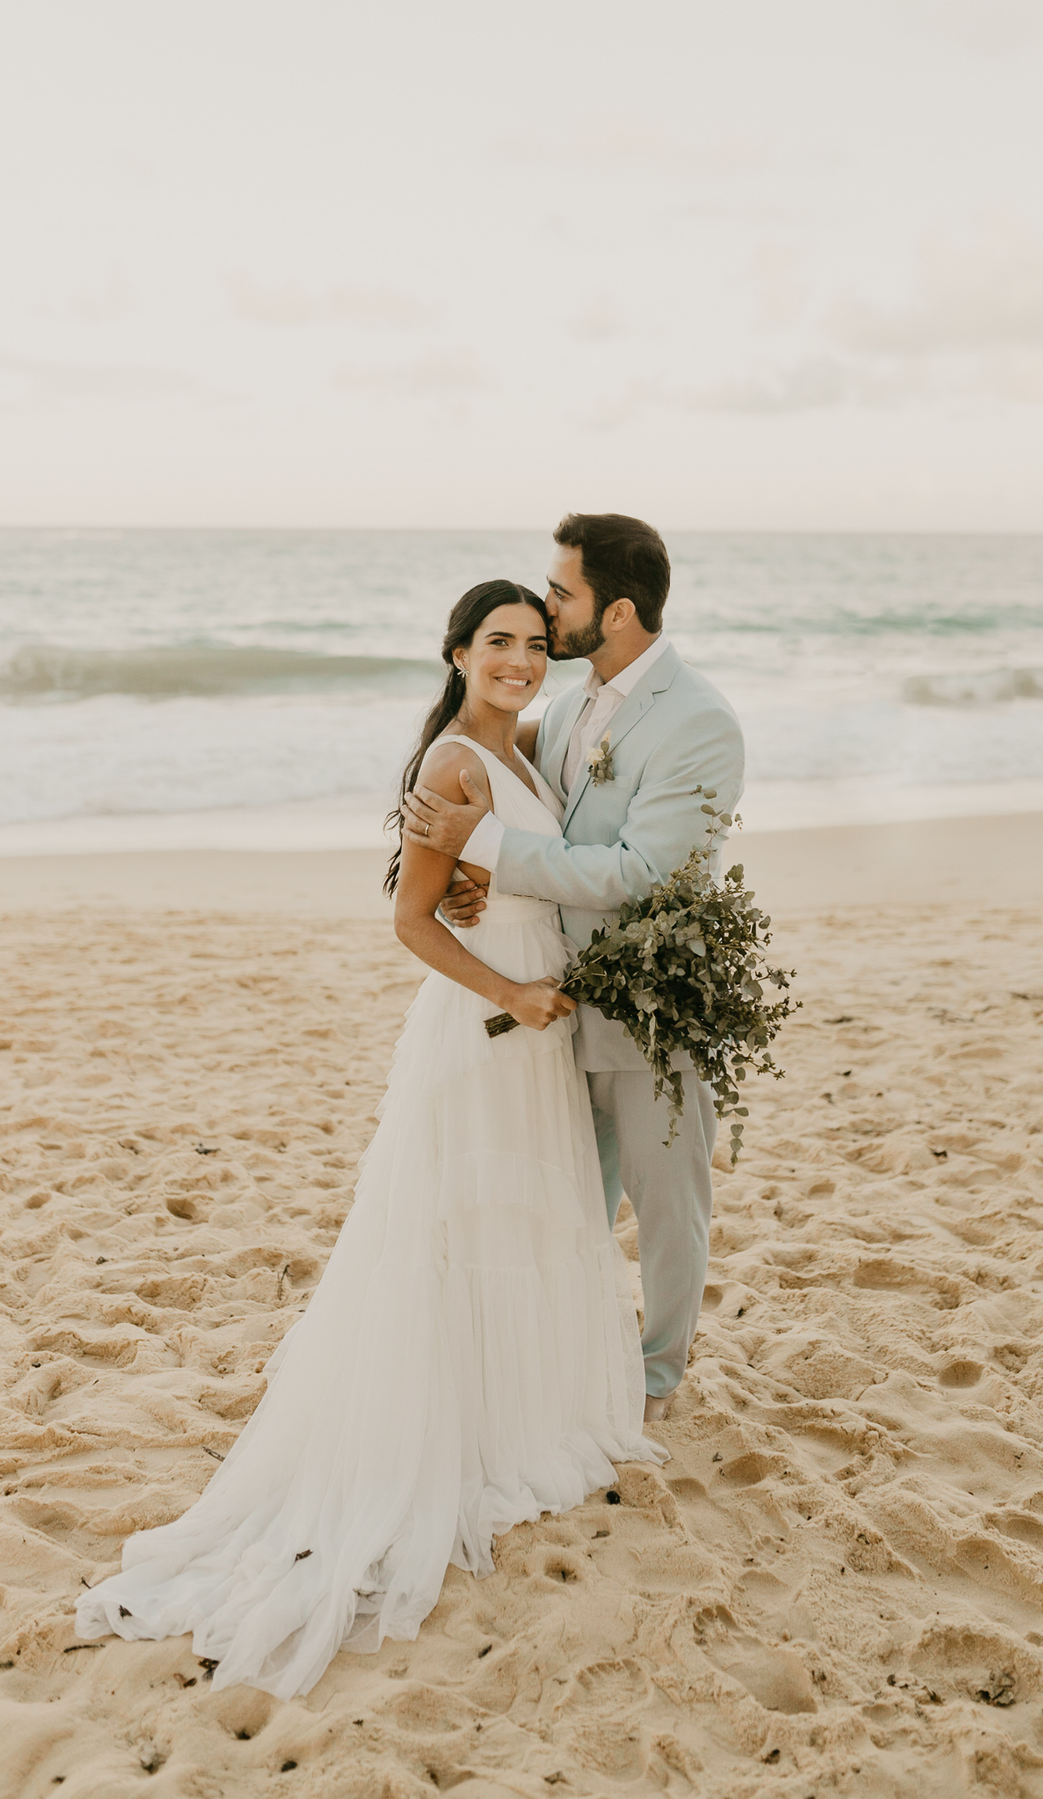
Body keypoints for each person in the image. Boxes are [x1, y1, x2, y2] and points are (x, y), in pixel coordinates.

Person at [74, 579, 661, 1700]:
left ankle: (514, 1412)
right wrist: (512, 990)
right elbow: (409, 919)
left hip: (537, 1015)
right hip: (489, 1023)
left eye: (536, 644)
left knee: (526, 1217)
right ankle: (449, 1436)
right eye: (498, 642)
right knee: (454, 1226)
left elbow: (512, 866)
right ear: (457, 652)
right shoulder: (453, 762)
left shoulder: (526, 749)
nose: (521, 659)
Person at [404, 516, 744, 1422]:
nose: (547, 607)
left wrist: (487, 848)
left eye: (561, 592)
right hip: (554, 1000)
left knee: (667, 1201)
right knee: (566, 1193)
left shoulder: (698, 720)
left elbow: (643, 873)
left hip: (650, 1001)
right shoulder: (561, 711)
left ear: (617, 610)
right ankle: (569, 1356)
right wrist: (475, 883)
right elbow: (519, 800)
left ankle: (657, 1376)